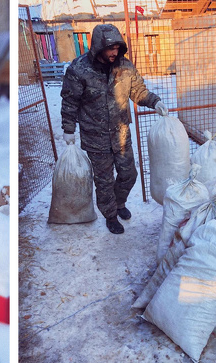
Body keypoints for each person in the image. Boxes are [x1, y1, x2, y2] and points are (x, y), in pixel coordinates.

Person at [61, 24, 168, 234]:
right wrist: (68, 128)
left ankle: (119, 203)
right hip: (95, 137)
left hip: (121, 135)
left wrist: (154, 102)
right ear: (99, 46)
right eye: (110, 48)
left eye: (118, 48)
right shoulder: (79, 69)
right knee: (104, 181)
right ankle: (110, 215)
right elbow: (70, 101)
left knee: (129, 174)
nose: (114, 52)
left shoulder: (125, 67)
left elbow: (138, 91)